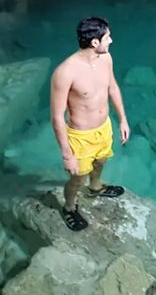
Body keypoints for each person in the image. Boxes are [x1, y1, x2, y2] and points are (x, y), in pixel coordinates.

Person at [50, 16, 131, 231]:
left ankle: (95, 187)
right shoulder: (65, 72)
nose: (111, 41)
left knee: (101, 161)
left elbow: (112, 87)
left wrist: (123, 119)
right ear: (95, 42)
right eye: (107, 37)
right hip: (81, 136)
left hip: (104, 128)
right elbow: (57, 116)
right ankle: (68, 207)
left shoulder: (106, 59)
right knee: (78, 178)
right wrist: (67, 154)